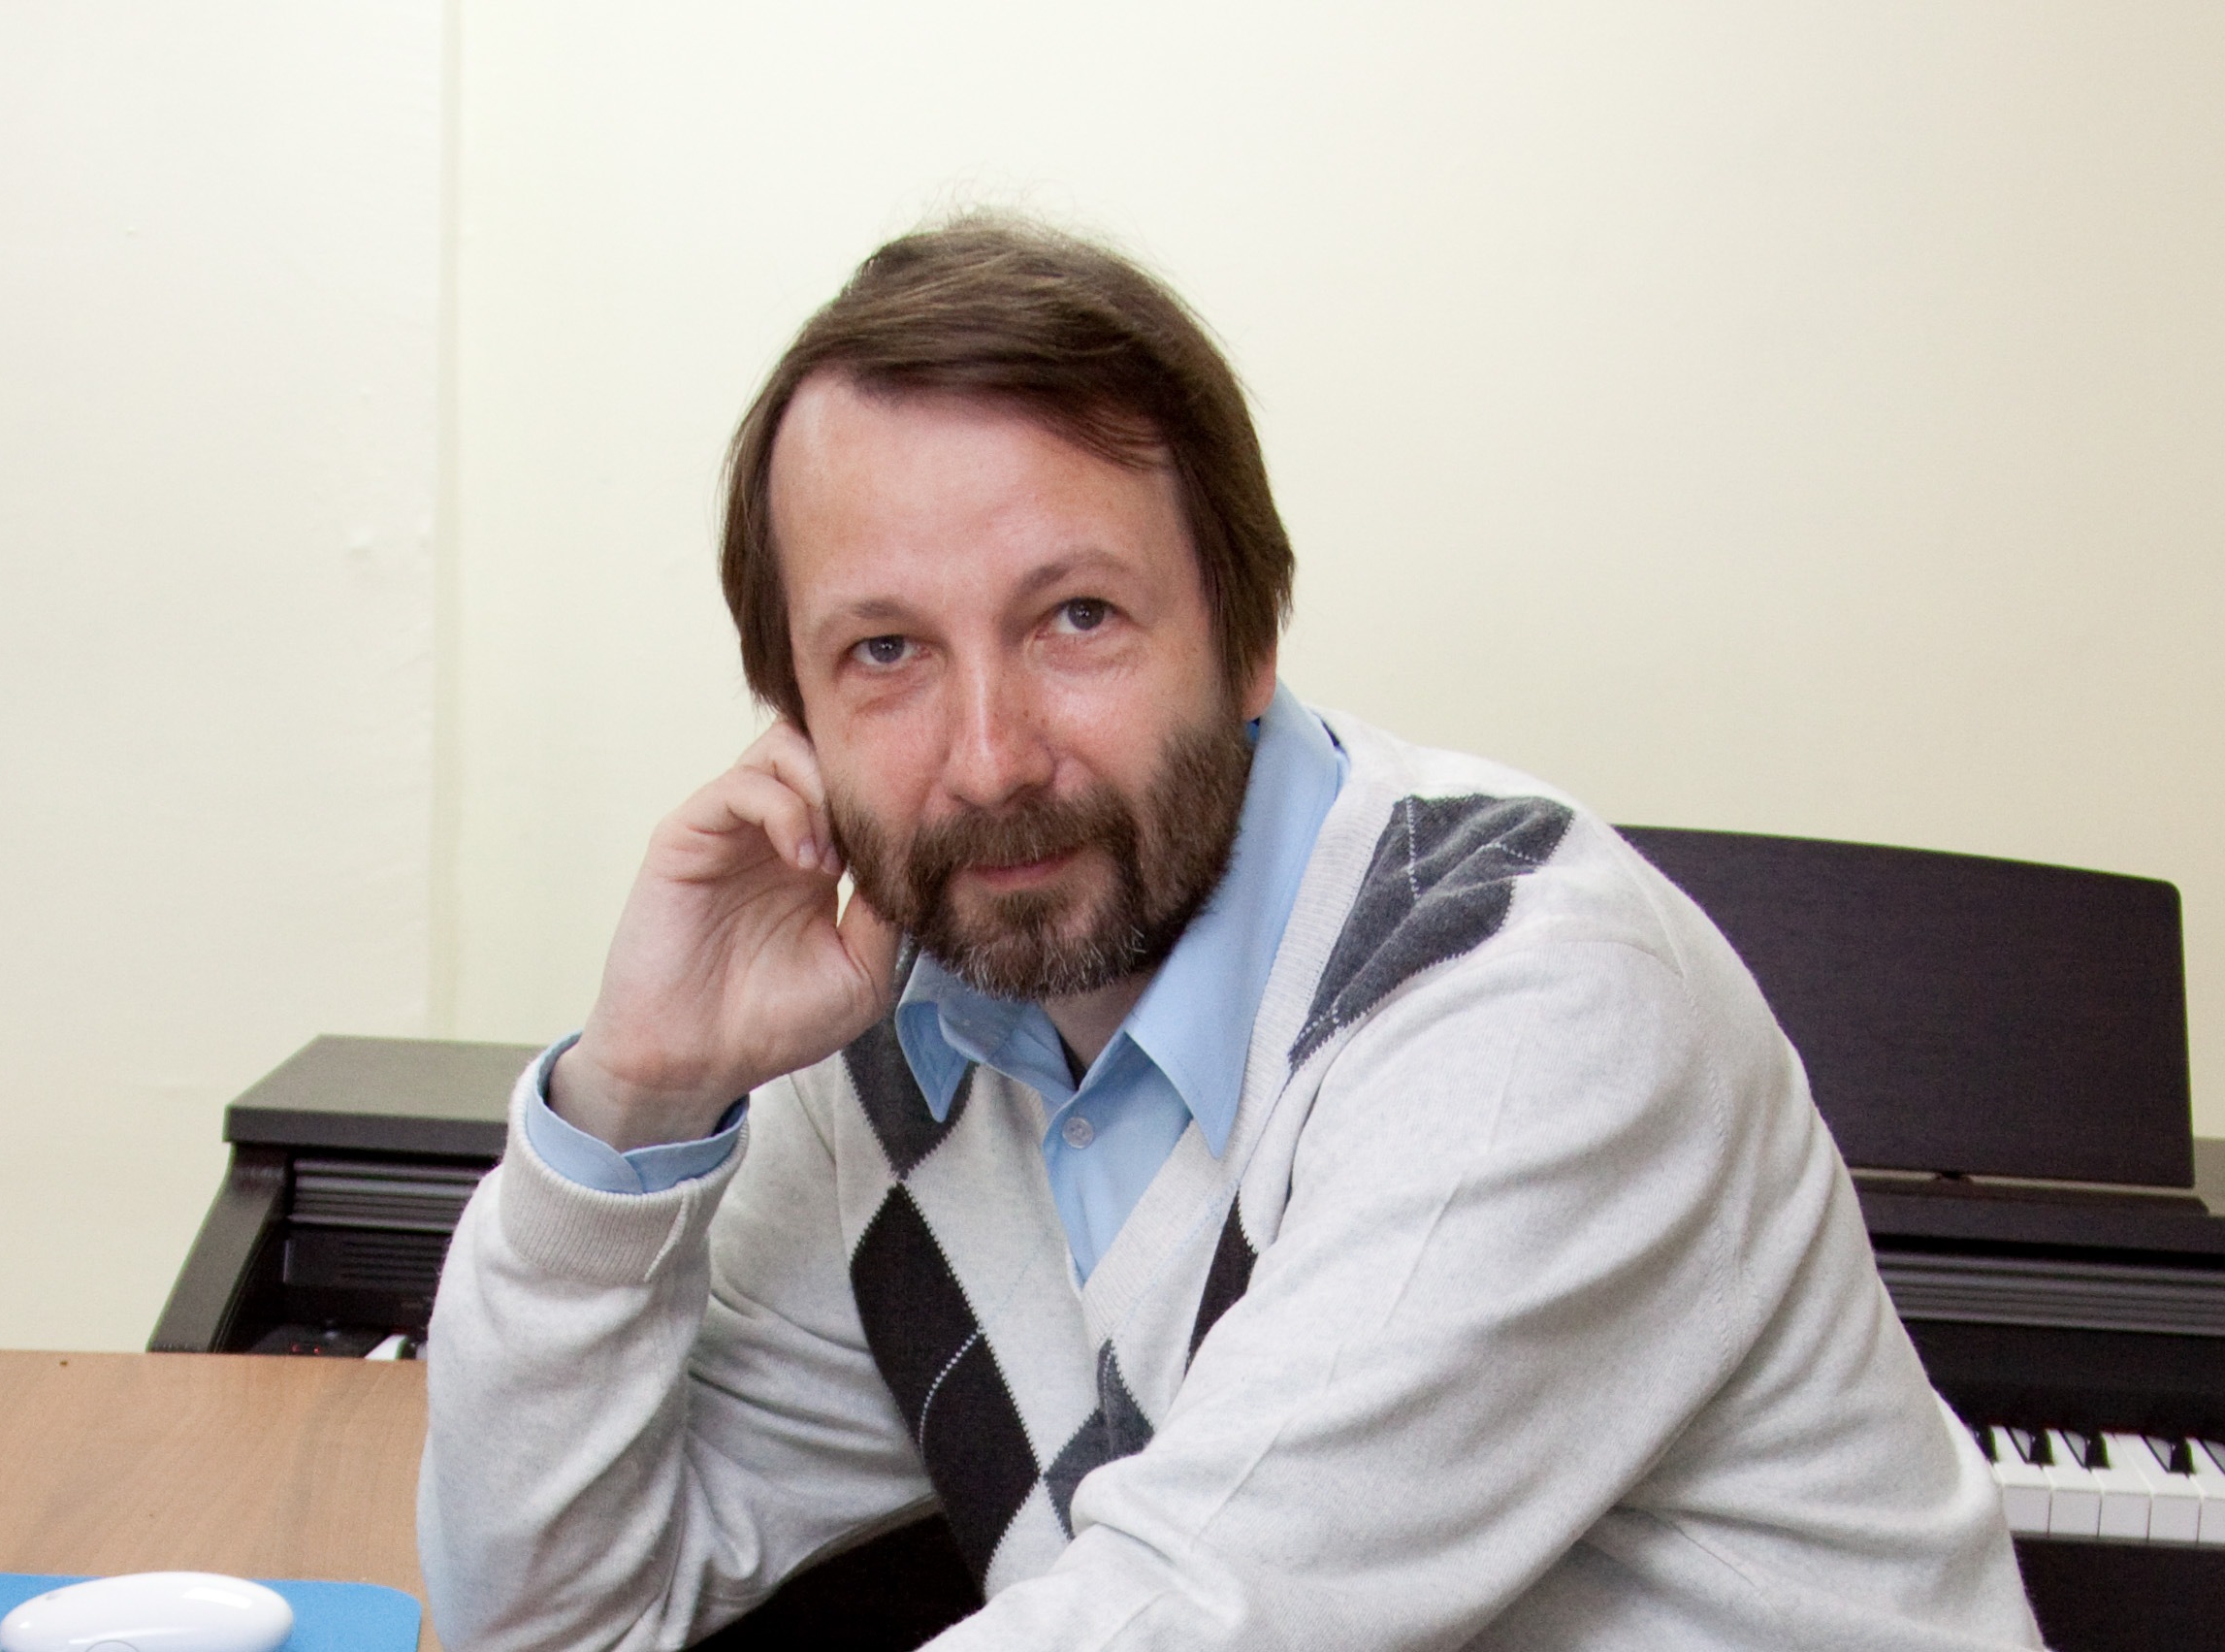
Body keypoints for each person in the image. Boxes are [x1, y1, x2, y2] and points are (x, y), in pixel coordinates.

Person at [418, 214, 2043, 1652]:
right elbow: (542, 1616)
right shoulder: (902, 1033)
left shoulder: (1537, 1003)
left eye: (1078, 617)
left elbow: (1191, 1618)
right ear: (797, 715)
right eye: (887, 653)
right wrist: (637, 1098)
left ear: (1248, 635)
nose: (989, 760)